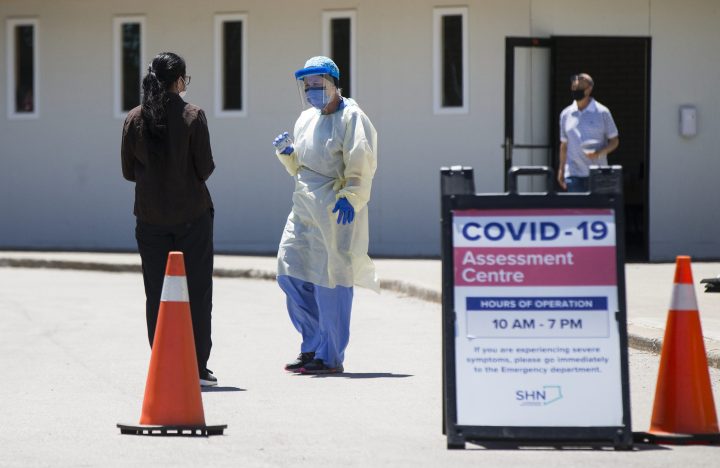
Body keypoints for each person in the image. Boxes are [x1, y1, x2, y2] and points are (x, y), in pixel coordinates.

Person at [272, 56, 378, 375]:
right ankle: (312, 344)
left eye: (318, 84)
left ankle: (330, 355)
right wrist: (289, 156)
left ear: (333, 83)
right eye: (308, 85)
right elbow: (303, 165)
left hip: (335, 207)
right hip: (303, 204)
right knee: (290, 269)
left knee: (331, 278)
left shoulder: (353, 118)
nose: (312, 90)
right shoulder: (306, 119)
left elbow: (362, 163)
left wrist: (351, 197)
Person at [121, 52, 218, 387]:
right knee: (198, 291)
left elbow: (127, 172)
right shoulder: (193, 115)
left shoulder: (134, 118)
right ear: (179, 81)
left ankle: (163, 363)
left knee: (157, 293)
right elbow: (204, 168)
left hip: (150, 219)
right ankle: (197, 368)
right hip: (192, 216)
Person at [557, 73, 619, 192]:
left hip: (597, 173)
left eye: (580, 88)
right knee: (576, 209)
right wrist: (561, 169)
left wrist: (601, 152)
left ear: (589, 89)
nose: (576, 90)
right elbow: (564, 144)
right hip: (573, 174)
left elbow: (614, 140)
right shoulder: (566, 114)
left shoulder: (602, 112)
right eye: (574, 88)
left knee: (597, 210)